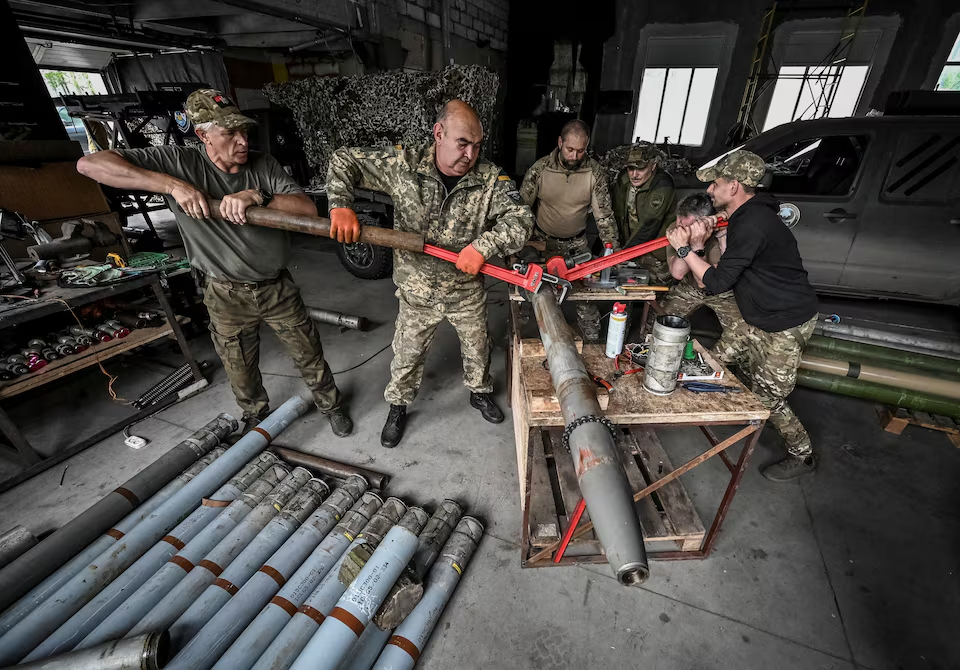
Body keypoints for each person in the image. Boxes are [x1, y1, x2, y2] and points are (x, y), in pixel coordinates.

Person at [76, 89, 353, 437]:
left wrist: (258, 195)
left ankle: (332, 405)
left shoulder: (262, 164)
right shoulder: (180, 163)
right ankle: (256, 416)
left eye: (245, 132)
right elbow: (89, 164)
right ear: (203, 135)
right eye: (229, 133)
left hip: (275, 286)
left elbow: (307, 210)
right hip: (224, 293)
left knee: (308, 353)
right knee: (239, 365)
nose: (242, 141)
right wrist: (173, 187)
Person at [325, 100, 534, 448]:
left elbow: (521, 219)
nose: (471, 153)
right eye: (463, 143)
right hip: (417, 290)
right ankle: (398, 405)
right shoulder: (403, 165)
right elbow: (343, 158)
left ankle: (479, 393)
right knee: (406, 353)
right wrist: (341, 205)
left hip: (464, 289)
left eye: (477, 145)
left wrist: (485, 245)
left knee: (478, 348)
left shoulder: (490, 178)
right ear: (439, 134)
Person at [666, 150, 820, 482]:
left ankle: (802, 454)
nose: (710, 191)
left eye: (716, 184)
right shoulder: (743, 216)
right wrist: (709, 237)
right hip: (757, 316)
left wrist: (685, 249)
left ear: (734, 186)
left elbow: (718, 282)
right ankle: (717, 413)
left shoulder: (753, 223)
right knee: (712, 361)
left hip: (785, 324)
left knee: (768, 397)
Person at [520, 120, 618, 342]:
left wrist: (613, 253)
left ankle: (592, 344)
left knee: (585, 297)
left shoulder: (594, 173)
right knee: (529, 296)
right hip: (543, 243)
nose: (574, 156)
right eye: (570, 150)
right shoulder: (540, 169)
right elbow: (520, 211)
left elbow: (603, 216)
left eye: (581, 151)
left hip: (577, 246)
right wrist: (519, 247)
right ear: (560, 142)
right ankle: (521, 337)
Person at [660, 192, 742, 340]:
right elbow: (677, 273)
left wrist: (701, 244)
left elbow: (707, 281)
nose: (679, 228)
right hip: (690, 287)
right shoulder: (676, 228)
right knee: (658, 323)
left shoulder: (725, 232)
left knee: (742, 336)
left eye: (686, 225)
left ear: (704, 222)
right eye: (678, 220)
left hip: (723, 292)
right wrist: (685, 244)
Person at [610, 142, 676, 282]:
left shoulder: (662, 184)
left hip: (656, 252)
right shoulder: (623, 179)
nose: (634, 174)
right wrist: (612, 248)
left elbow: (650, 223)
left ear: (653, 165)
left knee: (658, 290)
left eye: (641, 168)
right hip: (630, 245)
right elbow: (617, 214)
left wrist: (624, 254)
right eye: (630, 168)